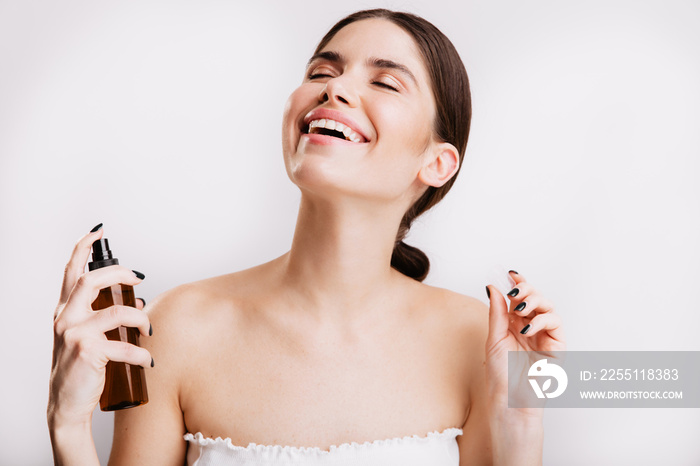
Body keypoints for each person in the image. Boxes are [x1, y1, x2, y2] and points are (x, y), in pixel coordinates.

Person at [48, 8, 566, 466]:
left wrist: (522, 424)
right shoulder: (176, 327)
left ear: (437, 163)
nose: (334, 89)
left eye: (385, 82)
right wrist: (68, 425)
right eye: (322, 71)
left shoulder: (484, 343)